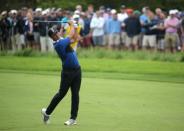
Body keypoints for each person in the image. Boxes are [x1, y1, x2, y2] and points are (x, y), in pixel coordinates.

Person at [41, 22, 82, 126]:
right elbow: (71, 34)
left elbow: (76, 38)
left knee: (75, 94)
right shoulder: (59, 44)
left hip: (77, 70)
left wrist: (76, 28)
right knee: (61, 94)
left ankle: (73, 118)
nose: (59, 32)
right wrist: (72, 24)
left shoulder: (62, 40)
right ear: (53, 36)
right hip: (67, 73)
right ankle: (47, 113)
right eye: (57, 32)